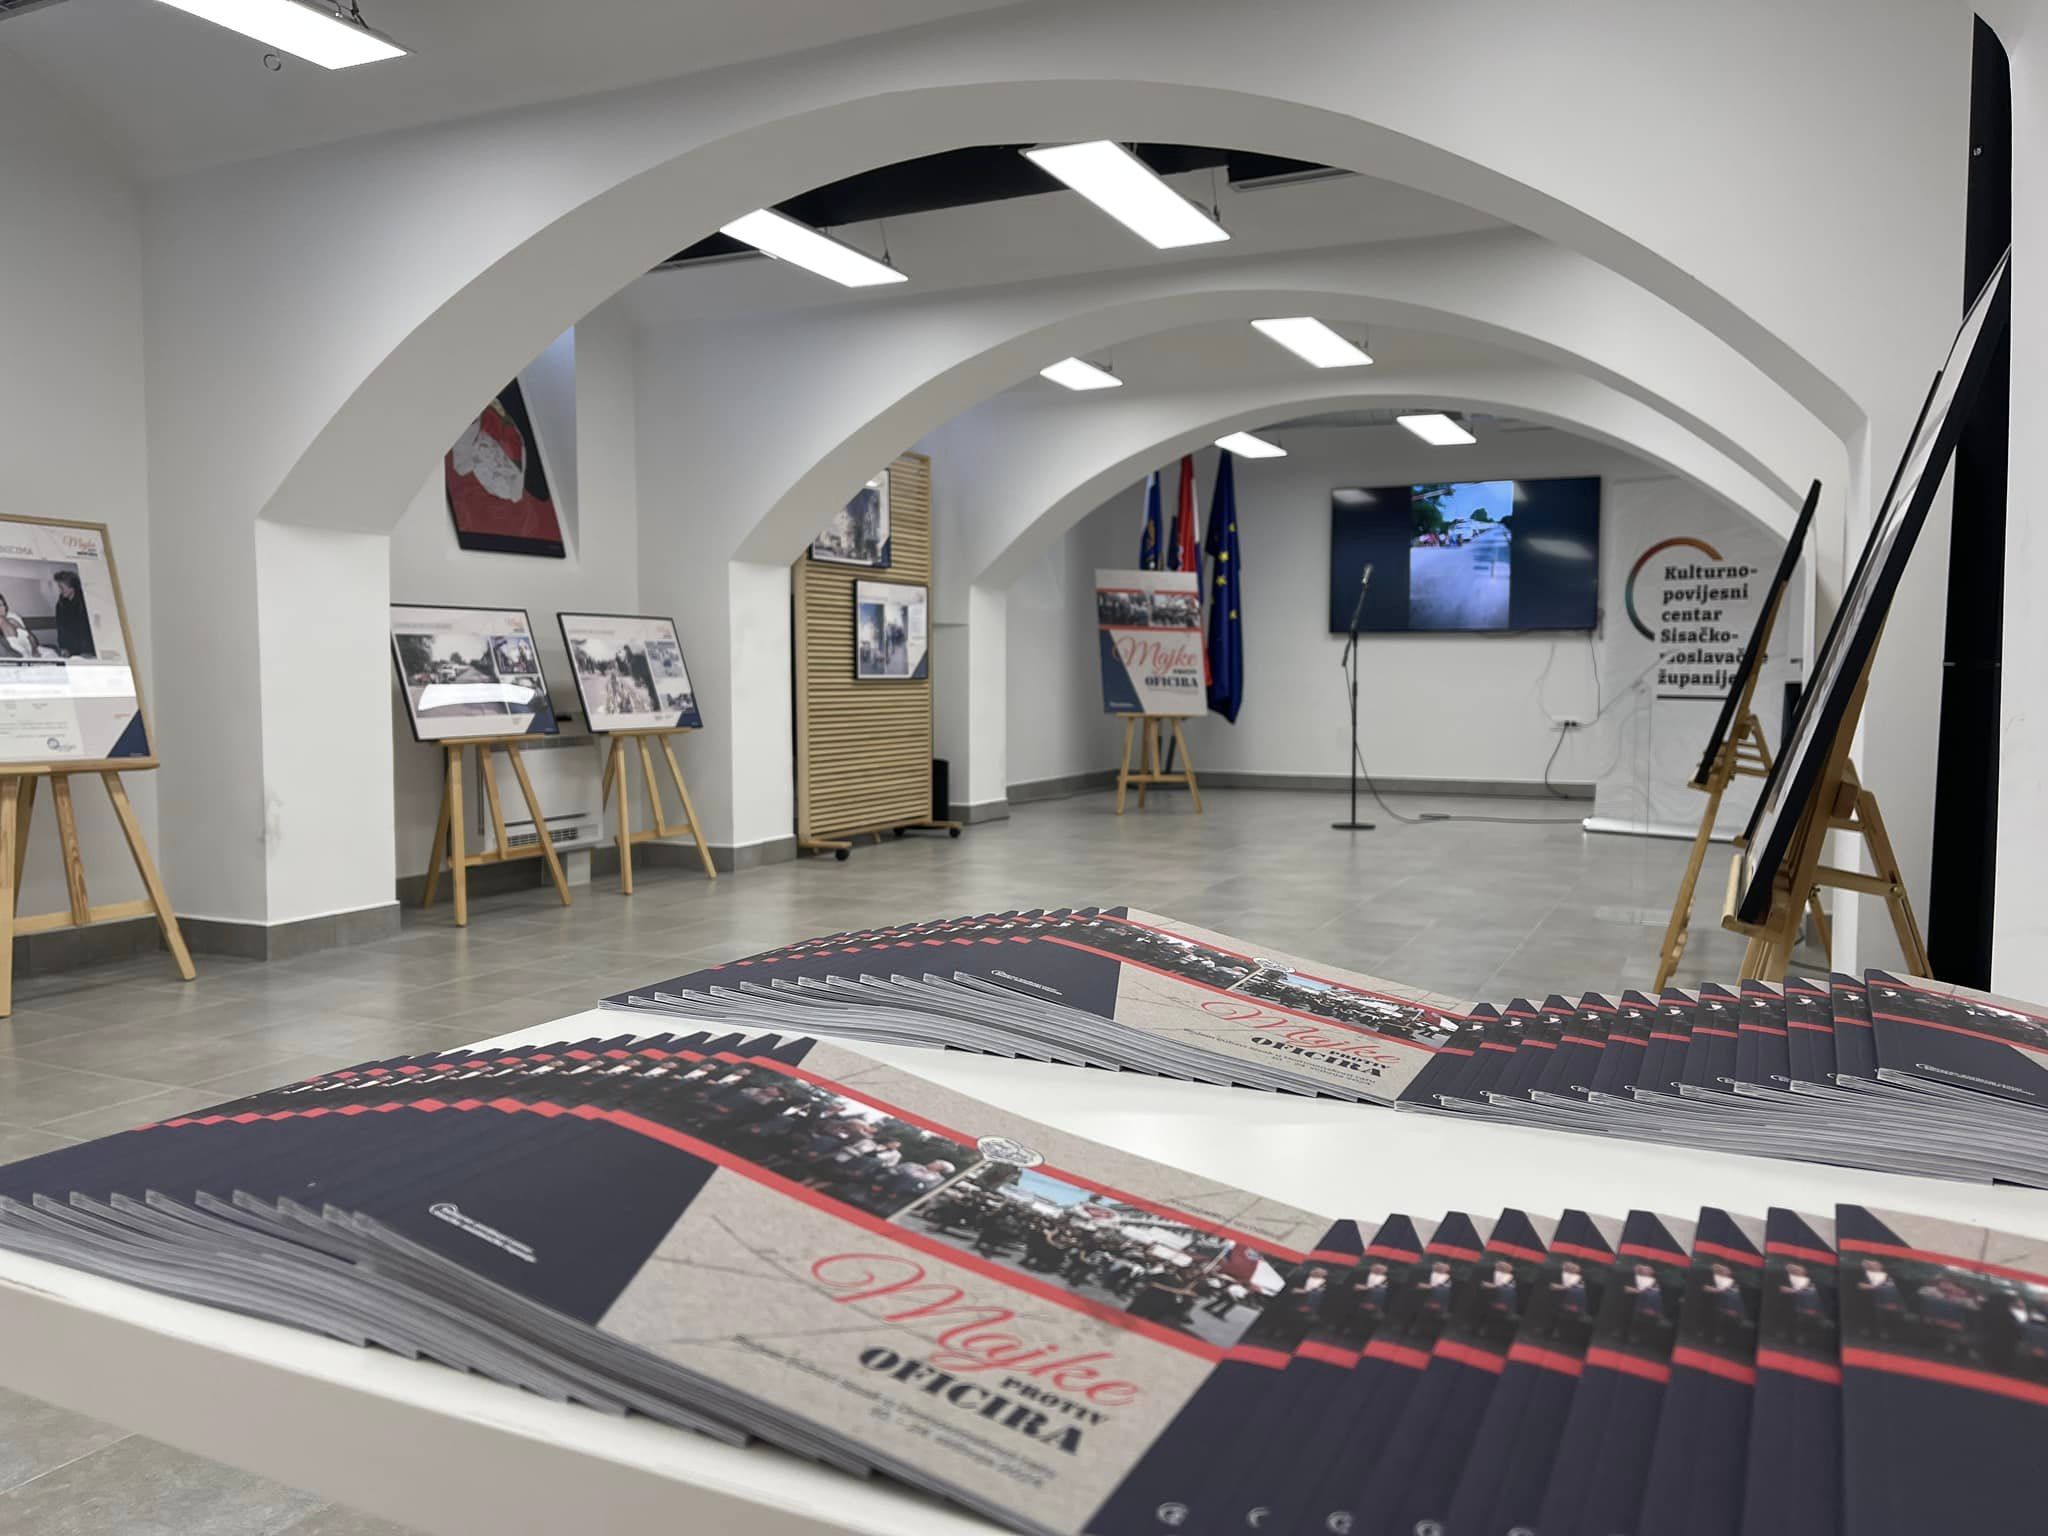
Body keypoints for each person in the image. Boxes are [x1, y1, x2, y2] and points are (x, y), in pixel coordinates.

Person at [51, 570, 93, 657]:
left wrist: (86, 651)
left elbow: (87, 630)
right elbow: (60, 629)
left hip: (87, 648)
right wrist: (63, 647)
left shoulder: (85, 603)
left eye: (62, 587)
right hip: (70, 649)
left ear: (72, 587)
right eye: (59, 587)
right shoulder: (60, 605)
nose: (60, 590)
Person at [0, 593, 40, 659]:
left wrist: (34, 651)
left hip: (23, 650)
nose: (3, 607)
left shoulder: (11, 619)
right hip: (10, 652)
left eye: (4, 604)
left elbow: (30, 636)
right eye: (0, 605)